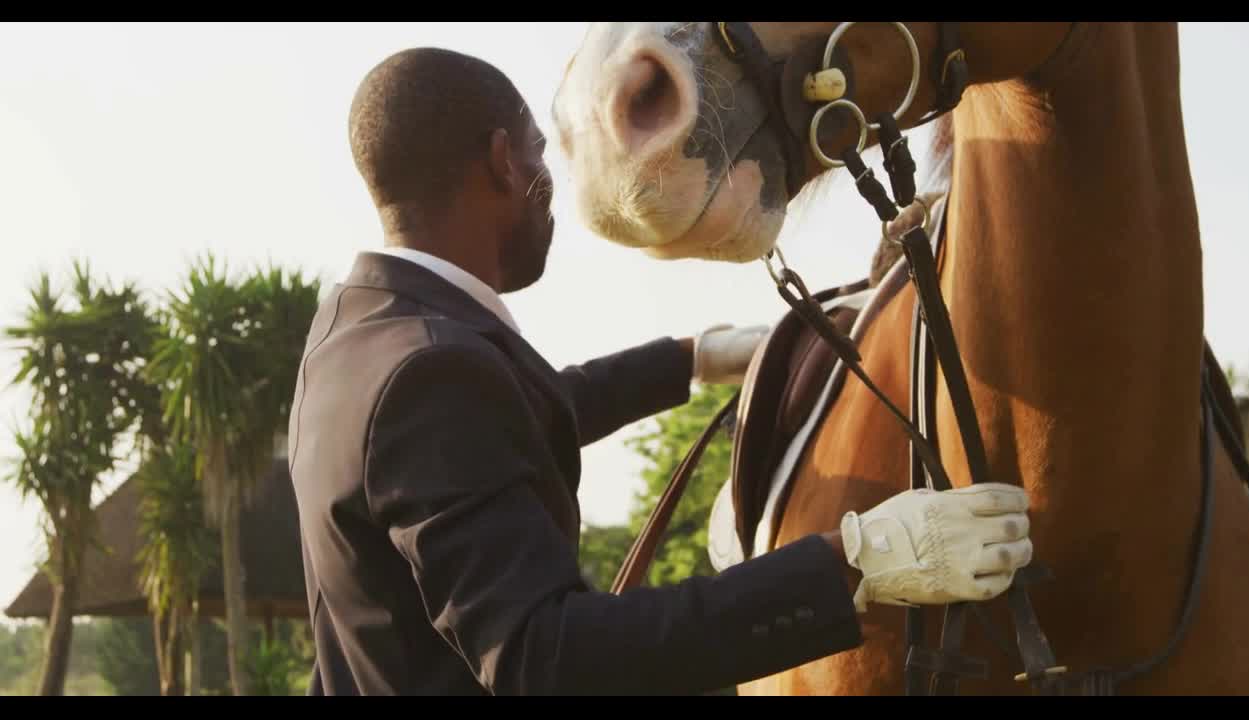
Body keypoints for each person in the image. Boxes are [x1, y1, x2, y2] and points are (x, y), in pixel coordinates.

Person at [286, 47, 1034, 696]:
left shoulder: (353, 333)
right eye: (539, 151)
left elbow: (505, 426)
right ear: (502, 162)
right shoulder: (434, 375)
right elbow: (548, 659)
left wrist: (694, 357)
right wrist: (853, 562)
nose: (547, 178)